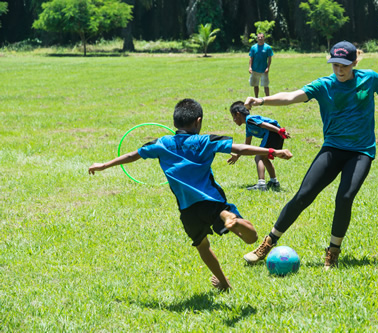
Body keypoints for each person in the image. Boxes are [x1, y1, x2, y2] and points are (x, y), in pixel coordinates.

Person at [241, 40, 378, 269]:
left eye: (345, 65)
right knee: (304, 195)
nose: (339, 70)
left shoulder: (369, 79)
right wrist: (261, 100)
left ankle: (333, 251)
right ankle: (268, 243)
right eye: (335, 65)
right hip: (333, 148)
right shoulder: (324, 85)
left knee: (344, 198)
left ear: (354, 62)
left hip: (361, 152)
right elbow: (291, 97)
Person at [88, 99, 293, 290]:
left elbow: (133, 155)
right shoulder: (205, 140)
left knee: (202, 246)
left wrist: (104, 165)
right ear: (198, 121)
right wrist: (272, 152)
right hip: (212, 202)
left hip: (187, 209)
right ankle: (229, 218)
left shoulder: (162, 143)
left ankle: (223, 282)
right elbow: (240, 147)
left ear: (175, 122)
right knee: (252, 238)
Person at [228, 101, 291, 191]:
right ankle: (274, 182)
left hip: (273, 133)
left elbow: (264, 125)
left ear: (238, 114)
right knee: (264, 158)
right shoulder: (248, 127)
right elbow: (247, 145)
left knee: (259, 157)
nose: (234, 120)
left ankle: (261, 184)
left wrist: (280, 131)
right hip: (274, 134)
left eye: (233, 117)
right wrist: (237, 156)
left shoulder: (250, 119)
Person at [249, 33, 274, 97]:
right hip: (255, 69)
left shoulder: (267, 47)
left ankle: (268, 98)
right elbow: (251, 58)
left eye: (261, 37)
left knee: (265, 85)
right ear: (257, 38)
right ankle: (256, 97)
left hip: (263, 69)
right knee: (255, 84)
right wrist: (250, 67)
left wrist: (268, 67)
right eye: (259, 37)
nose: (260, 39)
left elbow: (269, 58)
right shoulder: (253, 47)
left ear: (264, 38)